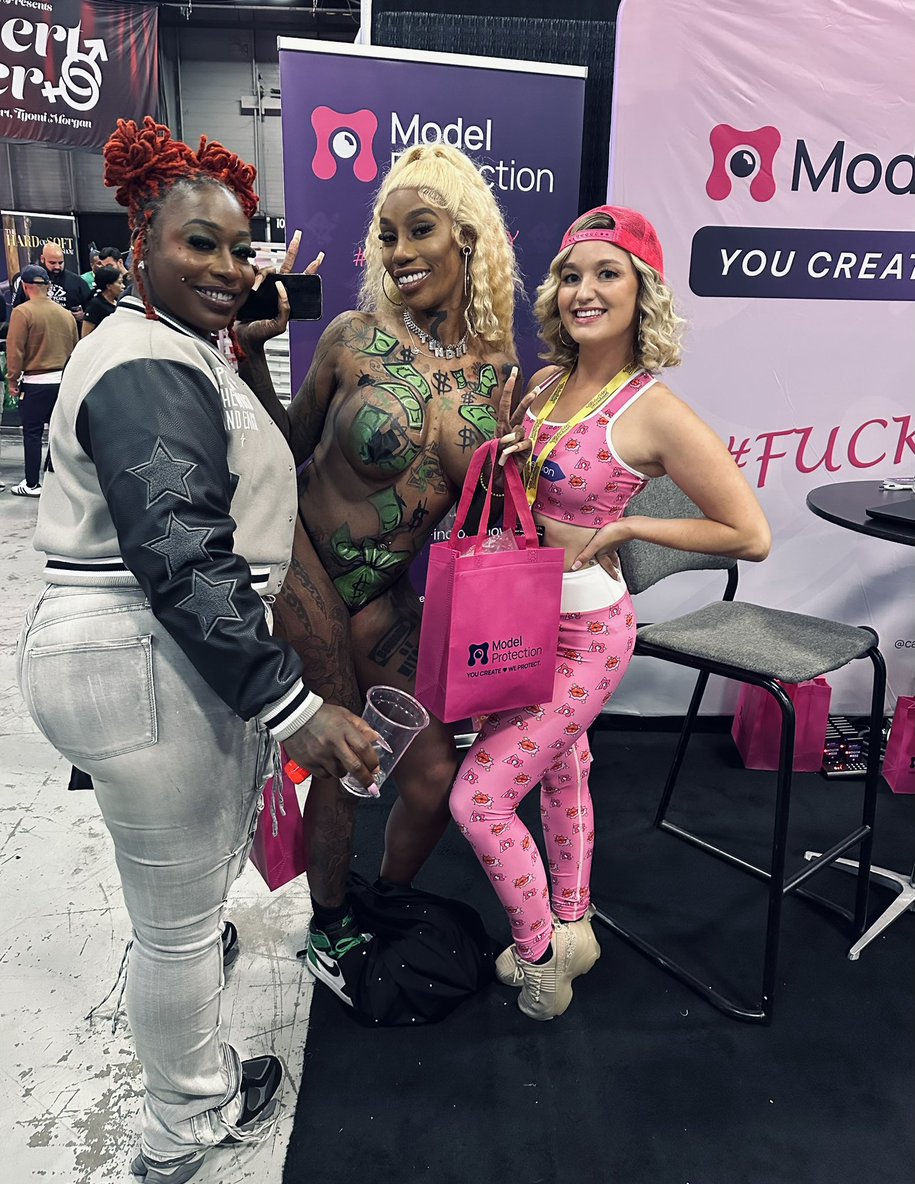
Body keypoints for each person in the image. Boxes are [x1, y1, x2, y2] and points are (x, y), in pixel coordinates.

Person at [16, 116, 381, 1184]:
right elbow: (179, 548)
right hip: (145, 649)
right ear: (140, 243)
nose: (228, 267)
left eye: (239, 248)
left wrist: (244, 342)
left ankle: (190, 1084)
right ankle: (185, 1124)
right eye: (199, 244)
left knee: (176, 916)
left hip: (137, 651)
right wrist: (291, 704)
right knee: (176, 931)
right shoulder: (143, 359)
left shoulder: (167, 348)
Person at [449, 205, 772, 1021]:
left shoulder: (652, 411)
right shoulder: (543, 386)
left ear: (641, 293)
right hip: (518, 617)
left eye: (606, 274)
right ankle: (574, 927)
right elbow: (528, 496)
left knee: (478, 800)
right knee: (563, 769)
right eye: (570, 275)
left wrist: (627, 527)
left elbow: (748, 534)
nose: (582, 292)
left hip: (587, 633)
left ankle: (540, 962)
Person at [243, 142, 527, 1005]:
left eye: (419, 230)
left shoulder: (499, 368)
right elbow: (285, 449)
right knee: (343, 753)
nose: (399, 252)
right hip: (300, 565)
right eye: (388, 235)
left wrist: (516, 474)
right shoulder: (352, 338)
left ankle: (381, 898)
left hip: (384, 594)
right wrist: (252, 354)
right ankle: (328, 924)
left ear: (467, 238)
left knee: (434, 776)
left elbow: (482, 514)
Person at [6, 264, 78, 497]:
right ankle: (60, 482)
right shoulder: (66, 315)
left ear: (26, 287)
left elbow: (15, 350)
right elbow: (75, 349)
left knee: (33, 433)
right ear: (48, 286)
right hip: (63, 381)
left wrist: (12, 380)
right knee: (59, 435)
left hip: (35, 382)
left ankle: (31, 483)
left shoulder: (22, 312)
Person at [12, 241, 91, 319]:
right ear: (42, 259)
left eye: (60, 263)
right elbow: (17, 309)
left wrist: (84, 316)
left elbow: (92, 310)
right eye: (52, 263)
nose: (57, 267)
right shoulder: (30, 281)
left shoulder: (77, 282)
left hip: (68, 325)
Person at [81, 264, 126, 335]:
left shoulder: (119, 302)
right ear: (108, 286)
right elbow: (85, 334)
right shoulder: (95, 305)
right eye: (119, 283)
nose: (123, 286)